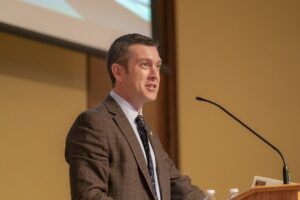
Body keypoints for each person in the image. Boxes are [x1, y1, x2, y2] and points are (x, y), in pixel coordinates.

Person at [65, 33, 206, 200]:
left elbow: (177, 186)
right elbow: (89, 196)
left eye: (158, 66)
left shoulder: (146, 131)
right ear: (118, 72)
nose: (155, 75)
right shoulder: (95, 123)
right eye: (145, 65)